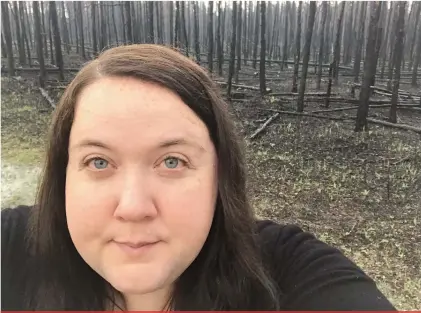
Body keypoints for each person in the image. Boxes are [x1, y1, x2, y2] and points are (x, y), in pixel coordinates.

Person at [1, 44, 395, 311]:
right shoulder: (12, 249)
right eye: (99, 162)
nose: (134, 207)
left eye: (172, 161)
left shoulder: (290, 271)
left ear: (219, 176)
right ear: (63, 174)